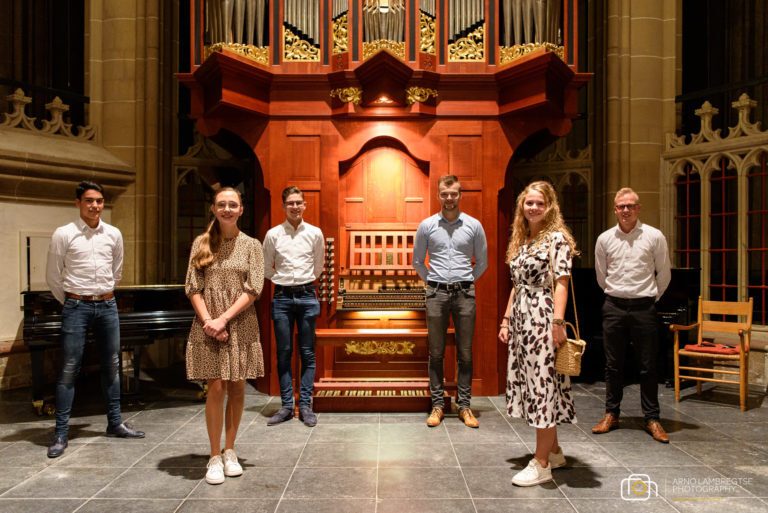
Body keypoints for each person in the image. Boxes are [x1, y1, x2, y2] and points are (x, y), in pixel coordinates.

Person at [45, 180, 145, 459]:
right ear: (78, 203)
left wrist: (102, 295)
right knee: (69, 368)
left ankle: (115, 423)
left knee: (112, 365)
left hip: (107, 305)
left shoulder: (113, 233)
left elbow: (117, 270)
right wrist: (74, 302)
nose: (95, 206)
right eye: (89, 200)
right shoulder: (63, 234)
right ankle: (61, 433)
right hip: (76, 306)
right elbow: (53, 277)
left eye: (99, 201)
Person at [498, 181, 578, 486]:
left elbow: (561, 283)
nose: (533, 208)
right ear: (522, 205)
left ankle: (542, 463)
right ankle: (554, 451)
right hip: (521, 320)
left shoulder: (556, 239)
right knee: (533, 384)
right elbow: (517, 285)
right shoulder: (523, 240)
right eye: (529, 203)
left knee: (543, 387)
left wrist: (557, 323)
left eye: (539, 203)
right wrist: (506, 321)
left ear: (550, 207)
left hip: (542, 319)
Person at [185, 187, 265, 484]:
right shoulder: (200, 243)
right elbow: (192, 286)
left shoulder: (252, 245)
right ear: (214, 209)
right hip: (208, 323)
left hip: (240, 322)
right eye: (222, 205)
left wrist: (223, 319)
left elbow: (254, 288)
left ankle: (230, 450)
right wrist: (209, 320)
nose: (228, 209)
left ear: (241, 209)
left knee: (238, 387)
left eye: (233, 205)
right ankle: (214, 456)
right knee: (215, 388)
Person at [592, 187, 671, 443]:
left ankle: (652, 418)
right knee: (613, 365)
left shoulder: (654, 236)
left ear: (638, 208)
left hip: (644, 308)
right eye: (621, 206)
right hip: (613, 307)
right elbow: (601, 276)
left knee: (648, 365)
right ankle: (611, 414)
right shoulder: (604, 239)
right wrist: (618, 295)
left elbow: (664, 273)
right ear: (615, 209)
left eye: (630, 206)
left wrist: (649, 298)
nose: (625, 210)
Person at [413, 174, 488, 428]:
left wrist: (465, 281)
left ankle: (464, 406)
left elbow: (483, 262)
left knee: (465, 353)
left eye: (453, 193)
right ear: (438, 195)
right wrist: (433, 283)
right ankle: (437, 405)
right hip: (436, 294)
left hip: (464, 293)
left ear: (460, 195)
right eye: (444, 194)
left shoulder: (474, 226)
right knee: (436, 352)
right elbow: (417, 262)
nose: (449, 198)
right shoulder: (426, 226)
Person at [263, 186, 324, 427]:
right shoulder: (273, 234)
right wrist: (284, 280)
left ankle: (305, 405)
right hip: (282, 298)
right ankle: (287, 406)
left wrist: (303, 280)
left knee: (307, 353)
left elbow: (318, 266)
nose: (295, 207)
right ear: (284, 205)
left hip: (308, 295)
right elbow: (267, 267)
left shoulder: (315, 233)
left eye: (299, 202)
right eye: (290, 203)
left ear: (305, 205)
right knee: (284, 353)